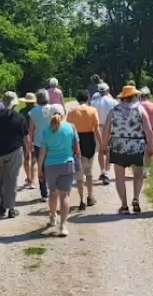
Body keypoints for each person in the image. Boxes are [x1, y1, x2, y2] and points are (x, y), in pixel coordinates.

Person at [102, 85, 153, 215]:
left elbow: (106, 130)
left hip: (118, 145)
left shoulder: (114, 110)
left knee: (120, 178)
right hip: (136, 145)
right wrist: (150, 145)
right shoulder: (140, 109)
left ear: (123, 97)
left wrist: (103, 145)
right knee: (138, 174)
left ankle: (124, 205)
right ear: (134, 96)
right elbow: (148, 129)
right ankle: (136, 198)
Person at [38, 104, 81, 237]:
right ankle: (63, 226)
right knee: (65, 196)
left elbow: (42, 152)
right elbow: (77, 148)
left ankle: (52, 217)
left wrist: (39, 168)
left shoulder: (46, 129)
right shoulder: (71, 127)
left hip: (50, 165)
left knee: (53, 193)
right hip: (67, 164)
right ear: (63, 114)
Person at [0, 91, 30, 218]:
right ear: (15, 104)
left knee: (0, 180)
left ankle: (2, 208)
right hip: (14, 152)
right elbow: (26, 138)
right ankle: (11, 209)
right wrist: (28, 152)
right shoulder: (19, 118)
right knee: (12, 181)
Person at [66, 90, 102, 210]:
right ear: (88, 99)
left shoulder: (72, 111)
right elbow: (97, 129)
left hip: (77, 141)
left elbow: (68, 129)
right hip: (89, 141)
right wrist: (102, 144)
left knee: (79, 175)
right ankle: (90, 196)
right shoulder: (93, 111)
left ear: (77, 99)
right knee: (89, 172)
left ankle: (81, 200)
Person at [90, 82, 118, 185]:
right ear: (107, 90)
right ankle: (106, 172)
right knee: (109, 150)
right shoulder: (113, 102)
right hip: (110, 126)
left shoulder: (93, 102)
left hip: (97, 127)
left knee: (101, 150)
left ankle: (102, 171)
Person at [29, 89, 51, 202]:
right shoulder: (51, 109)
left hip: (38, 142)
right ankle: (53, 188)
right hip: (51, 141)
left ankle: (43, 193)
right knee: (52, 165)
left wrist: (30, 142)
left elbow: (31, 129)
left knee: (41, 167)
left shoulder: (33, 111)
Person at [139, 87, 153, 178]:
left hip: (139, 130)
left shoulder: (138, 105)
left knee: (139, 151)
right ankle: (145, 171)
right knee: (149, 150)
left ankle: (139, 169)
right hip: (150, 130)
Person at [19, 92, 37, 188]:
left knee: (26, 158)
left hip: (24, 137)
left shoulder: (21, 111)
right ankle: (33, 180)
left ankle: (28, 177)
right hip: (35, 136)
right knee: (34, 160)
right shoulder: (37, 111)